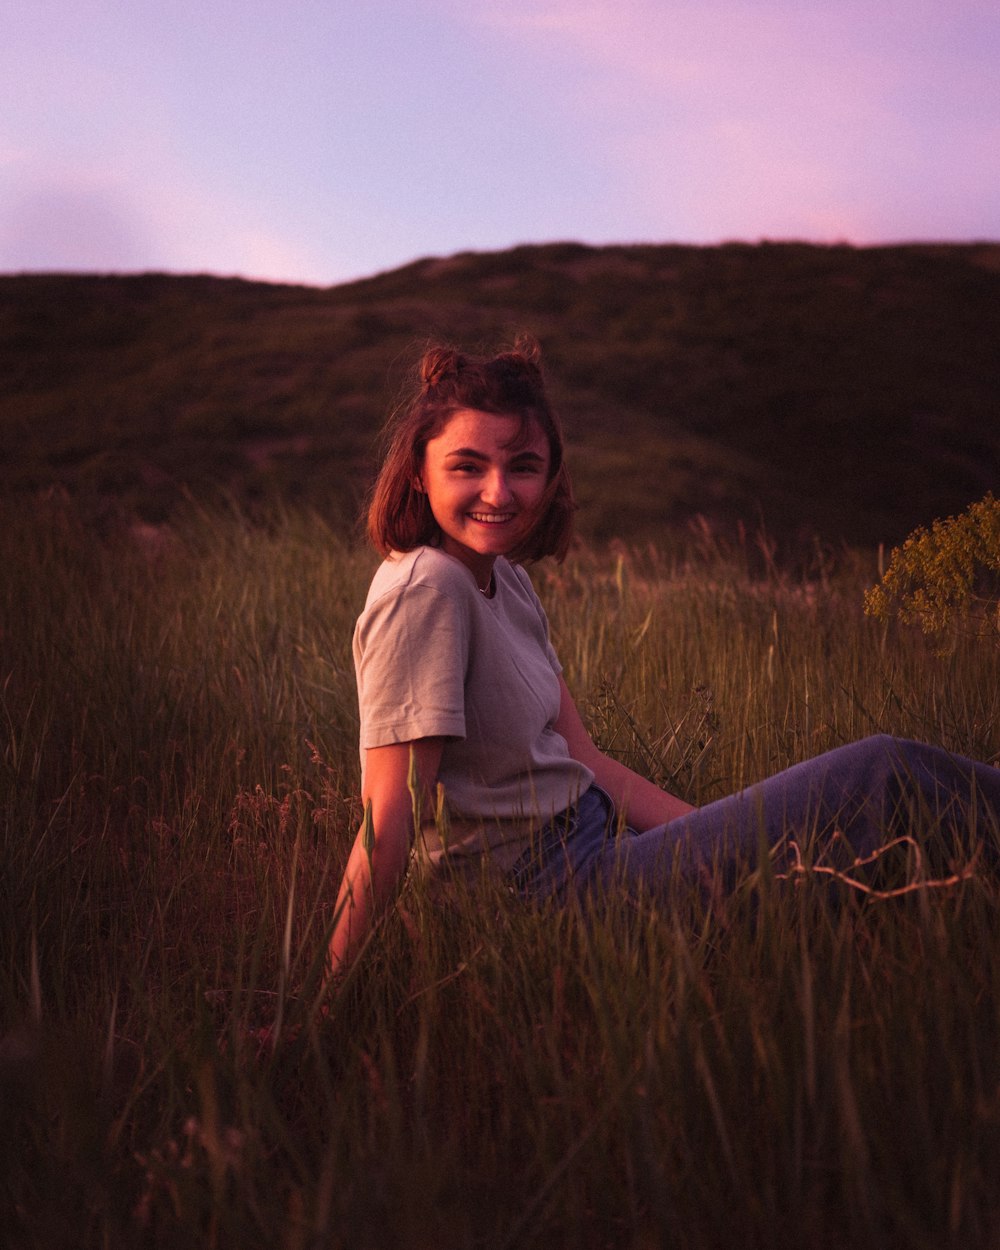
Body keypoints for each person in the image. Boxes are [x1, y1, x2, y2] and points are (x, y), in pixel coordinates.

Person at [327, 336, 1000, 979]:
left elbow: (586, 761)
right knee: (883, 771)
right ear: (419, 472)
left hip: (602, 854)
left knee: (906, 815)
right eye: (468, 465)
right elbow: (387, 820)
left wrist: (722, 835)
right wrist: (319, 1010)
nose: (499, 492)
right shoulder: (426, 588)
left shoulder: (507, 579)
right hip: (549, 901)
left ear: (550, 475)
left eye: (523, 466)